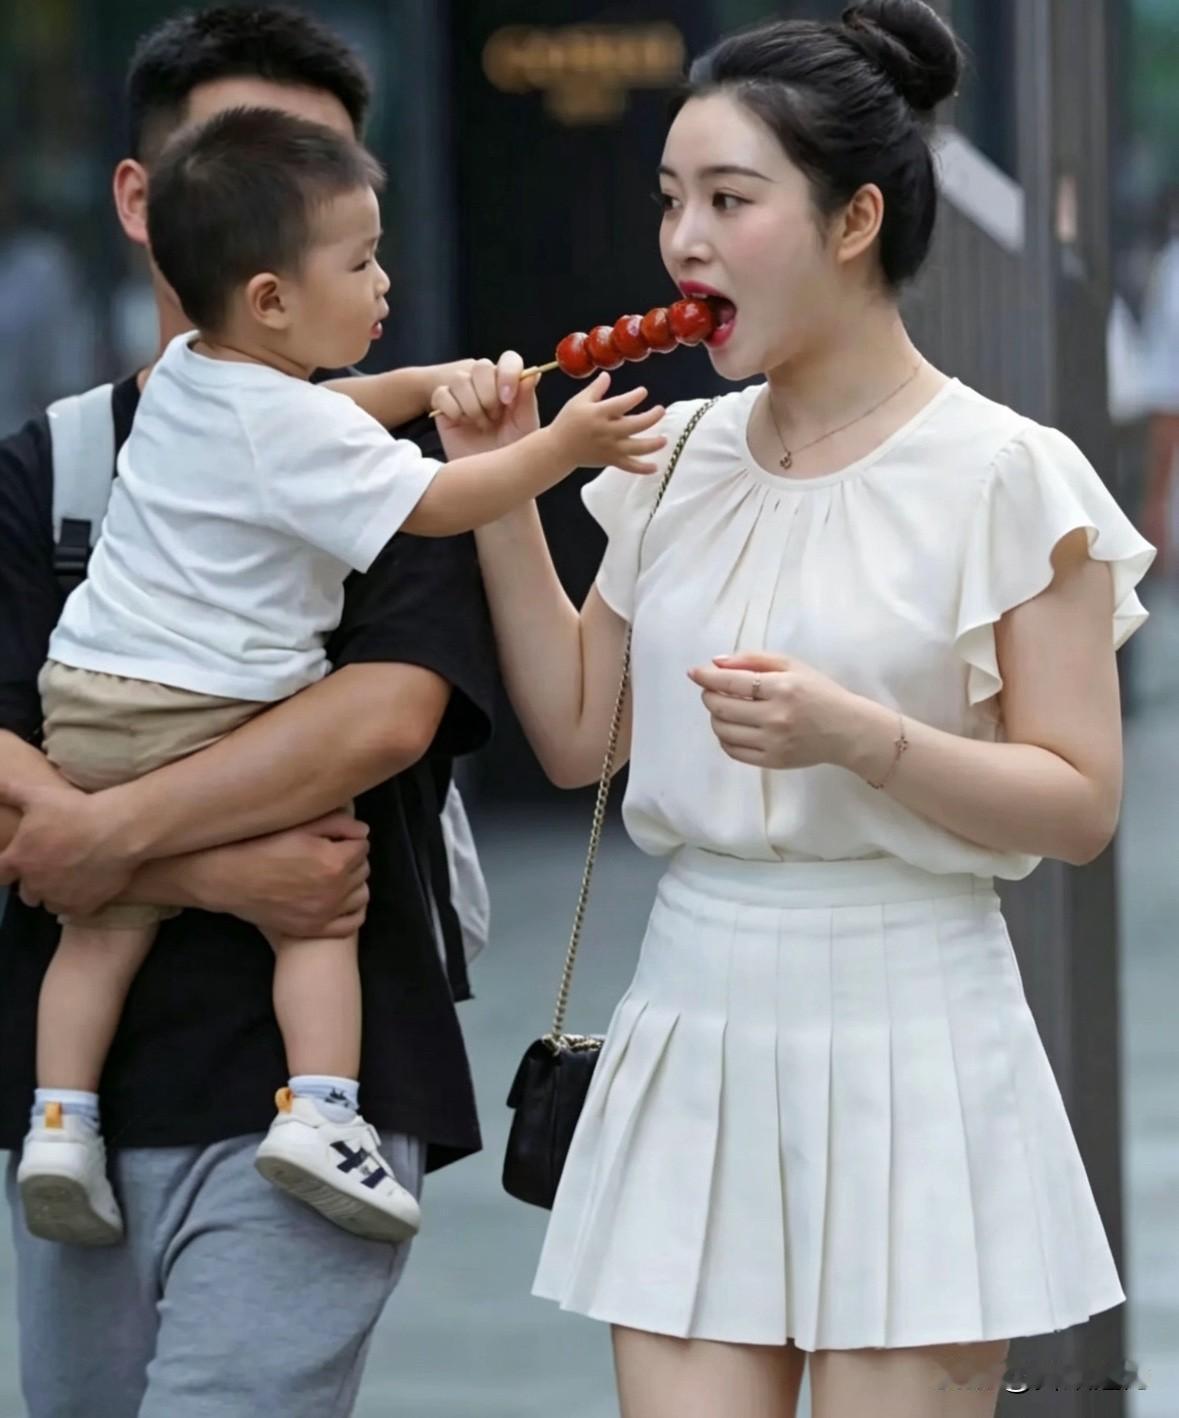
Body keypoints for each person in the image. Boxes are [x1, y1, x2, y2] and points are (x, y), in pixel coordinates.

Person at [432, 3, 1156, 1415]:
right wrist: (503, 486)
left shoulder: (1007, 473)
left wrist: (857, 737)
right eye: (670, 201)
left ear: (854, 220)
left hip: (915, 1023)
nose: (682, 242)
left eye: (728, 200)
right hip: (694, 1017)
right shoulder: (675, 457)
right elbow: (578, 736)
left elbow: (1078, 802)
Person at [14, 104, 660, 1252]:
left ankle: (59, 1122)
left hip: (90, 704)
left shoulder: (186, 375)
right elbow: (439, 501)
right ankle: (321, 1112)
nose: (384, 280)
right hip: (208, 710)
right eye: (361, 262)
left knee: (100, 930)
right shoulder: (296, 433)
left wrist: (418, 383)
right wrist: (558, 448)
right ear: (271, 298)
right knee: (317, 906)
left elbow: (324, 409)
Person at [0, 7, 495, 1414]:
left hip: (325, 1092)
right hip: (84, 1110)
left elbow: (384, 717)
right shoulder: (53, 465)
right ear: (142, 200)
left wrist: (109, 838)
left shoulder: (377, 458)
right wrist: (215, 867)